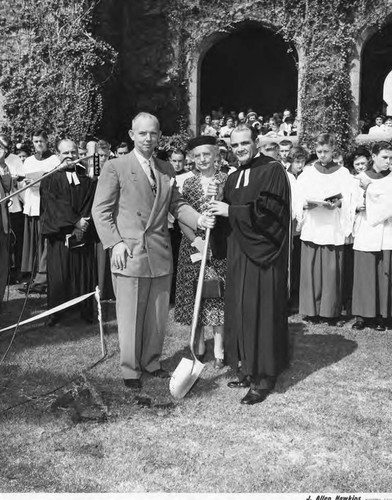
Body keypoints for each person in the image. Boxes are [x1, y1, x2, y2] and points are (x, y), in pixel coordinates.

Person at [92, 112, 215, 390]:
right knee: (130, 314)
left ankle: (151, 362)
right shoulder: (115, 167)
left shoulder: (166, 169)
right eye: (143, 133)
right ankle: (130, 368)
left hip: (159, 253)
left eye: (154, 133)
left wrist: (198, 220)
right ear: (131, 134)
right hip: (129, 252)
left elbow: (177, 204)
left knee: (157, 314)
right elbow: (100, 211)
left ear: (159, 136)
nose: (148, 138)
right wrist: (115, 243)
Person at [209, 124, 291, 405]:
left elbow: (271, 213)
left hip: (262, 257)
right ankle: (245, 366)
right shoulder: (233, 178)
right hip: (238, 256)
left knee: (261, 313)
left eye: (245, 143)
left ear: (256, 142)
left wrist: (229, 210)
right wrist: (214, 213)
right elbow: (227, 217)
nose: (240, 149)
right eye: (235, 145)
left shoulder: (272, 170)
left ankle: (264, 376)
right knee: (241, 311)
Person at [174, 136, 227, 369]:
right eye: (197, 156)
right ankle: (199, 346)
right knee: (197, 295)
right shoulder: (188, 184)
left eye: (207, 154)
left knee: (217, 296)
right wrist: (196, 241)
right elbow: (181, 216)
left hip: (219, 249)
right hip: (193, 248)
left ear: (216, 155)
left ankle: (219, 349)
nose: (202, 159)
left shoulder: (226, 179)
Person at [296, 133, 354, 325]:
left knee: (331, 270)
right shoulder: (308, 172)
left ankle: (331, 311)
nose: (322, 155)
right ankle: (311, 311)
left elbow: (349, 198)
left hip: (332, 226)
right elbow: (298, 197)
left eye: (326, 151)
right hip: (313, 223)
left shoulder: (343, 173)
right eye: (319, 151)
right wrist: (305, 205)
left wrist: (338, 203)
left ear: (333, 150)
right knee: (311, 269)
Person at [40, 139, 97, 326]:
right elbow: (54, 206)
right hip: (60, 236)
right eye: (65, 153)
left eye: (73, 152)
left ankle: (86, 311)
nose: (70, 156)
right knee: (60, 275)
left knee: (83, 273)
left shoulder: (87, 180)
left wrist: (82, 226)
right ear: (58, 155)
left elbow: (90, 203)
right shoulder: (49, 179)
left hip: (82, 234)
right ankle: (56, 314)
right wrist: (75, 222)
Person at [351, 142, 392, 331]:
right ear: (373, 157)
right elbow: (350, 201)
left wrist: (371, 191)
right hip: (366, 229)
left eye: (391, 158)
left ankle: (383, 316)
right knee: (364, 273)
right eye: (384, 157)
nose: (388, 161)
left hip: (386, 231)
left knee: (384, 273)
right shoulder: (359, 178)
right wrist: (357, 206)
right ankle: (363, 315)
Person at [19, 129, 59, 294]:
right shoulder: (28, 161)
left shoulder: (54, 159)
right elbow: (21, 184)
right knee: (33, 245)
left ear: (46, 141)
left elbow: (58, 182)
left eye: (41, 141)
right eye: (35, 142)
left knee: (44, 244)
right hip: (32, 205)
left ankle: (44, 278)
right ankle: (33, 277)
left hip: (47, 208)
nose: (38, 145)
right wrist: (26, 183)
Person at [0, 139, 12, 303]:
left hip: (1, 223)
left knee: (2, 266)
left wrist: (2, 164)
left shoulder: (2, 166)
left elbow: (7, 187)